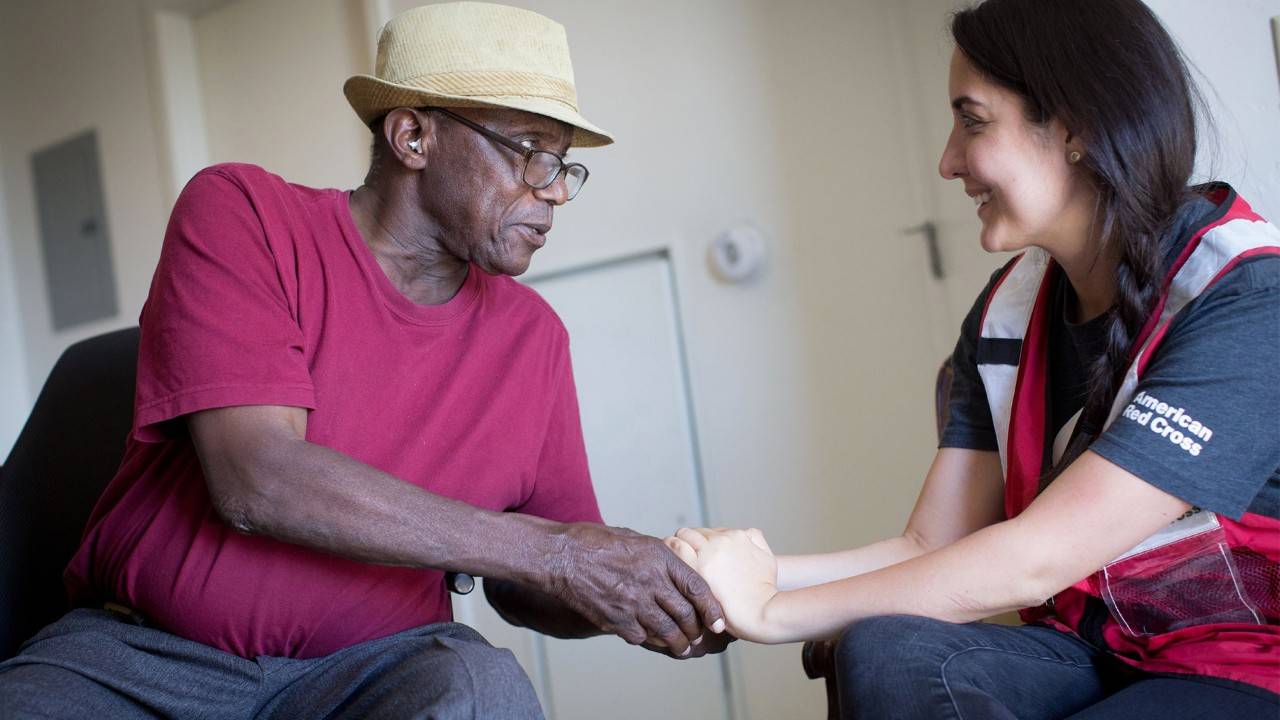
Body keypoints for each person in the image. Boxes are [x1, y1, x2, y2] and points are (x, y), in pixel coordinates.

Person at [0, 4, 726, 719]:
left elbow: (528, 585)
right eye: (531, 151)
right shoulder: (242, 213)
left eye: (563, 164)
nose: (556, 191)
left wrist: (647, 600)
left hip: (373, 672)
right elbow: (257, 479)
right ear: (413, 136)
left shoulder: (534, 339)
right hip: (148, 663)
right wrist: (563, 555)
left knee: (480, 684)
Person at [669, 0, 1279, 717]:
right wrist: (750, 579)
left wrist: (769, 614)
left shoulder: (1248, 298)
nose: (948, 160)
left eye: (973, 120)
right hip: (1093, 651)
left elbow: (1034, 560)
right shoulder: (1006, 311)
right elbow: (930, 543)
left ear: (1077, 127)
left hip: (1242, 666)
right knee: (887, 650)